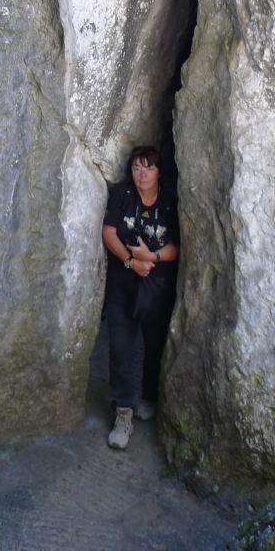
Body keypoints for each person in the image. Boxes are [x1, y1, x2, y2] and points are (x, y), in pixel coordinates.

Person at [102, 145, 180, 449]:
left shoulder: (169, 201)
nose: (142, 175)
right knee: (121, 348)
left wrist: (152, 257)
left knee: (154, 346)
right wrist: (130, 261)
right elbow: (109, 232)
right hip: (123, 285)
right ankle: (123, 415)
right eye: (137, 168)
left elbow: (177, 246)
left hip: (156, 287)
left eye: (149, 168)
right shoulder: (122, 195)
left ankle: (148, 396)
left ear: (159, 172)